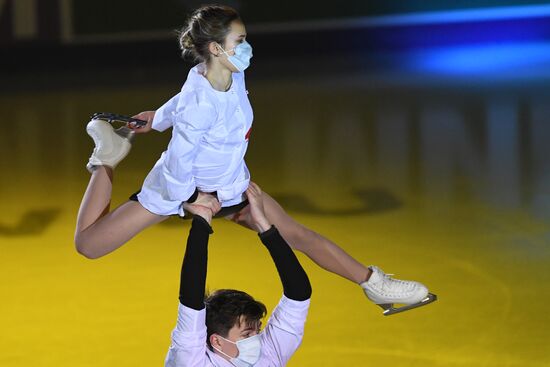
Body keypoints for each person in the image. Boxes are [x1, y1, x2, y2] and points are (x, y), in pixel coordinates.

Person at [74, 4, 435, 315]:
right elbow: (181, 162)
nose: (246, 47)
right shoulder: (198, 105)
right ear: (217, 48)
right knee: (89, 246)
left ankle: (375, 285)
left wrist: (158, 117)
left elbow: (182, 99)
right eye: (240, 41)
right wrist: (195, 202)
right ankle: (107, 157)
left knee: (296, 233)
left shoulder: (231, 72)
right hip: (178, 189)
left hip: (230, 186)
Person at [165, 182, 311, 366]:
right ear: (216, 341)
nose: (257, 340)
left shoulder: (268, 353)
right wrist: (201, 222)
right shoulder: (192, 362)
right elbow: (191, 299)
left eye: (257, 331)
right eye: (247, 335)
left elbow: (299, 293)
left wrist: (264, 226)